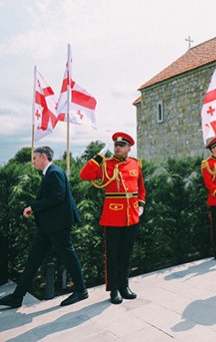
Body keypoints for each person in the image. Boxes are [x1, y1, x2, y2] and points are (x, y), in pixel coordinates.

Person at [0, 146, 87, 309]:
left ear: (43, 157)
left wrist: (33, 207)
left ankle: (81, 290)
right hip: (49, 226)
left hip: (59, 225)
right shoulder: (49, 173)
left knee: (68, 256)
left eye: (35, 158)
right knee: (33, 259)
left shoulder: (54, 172)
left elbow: (58, 196)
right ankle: (17, 297)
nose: (33, 162)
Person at [80, 132, 145, 304]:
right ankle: (114, 289)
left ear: (129, 148)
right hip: (113, 215)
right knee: (113, 255)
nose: (117, 148)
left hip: (132, 216)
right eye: (116, 145)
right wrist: (99, 156)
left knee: (126, 253)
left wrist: (141, 205)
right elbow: (84, 175)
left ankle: (124, 286)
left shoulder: (135, 164)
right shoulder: (105, 164)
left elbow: (141, 188)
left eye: (122, 145)